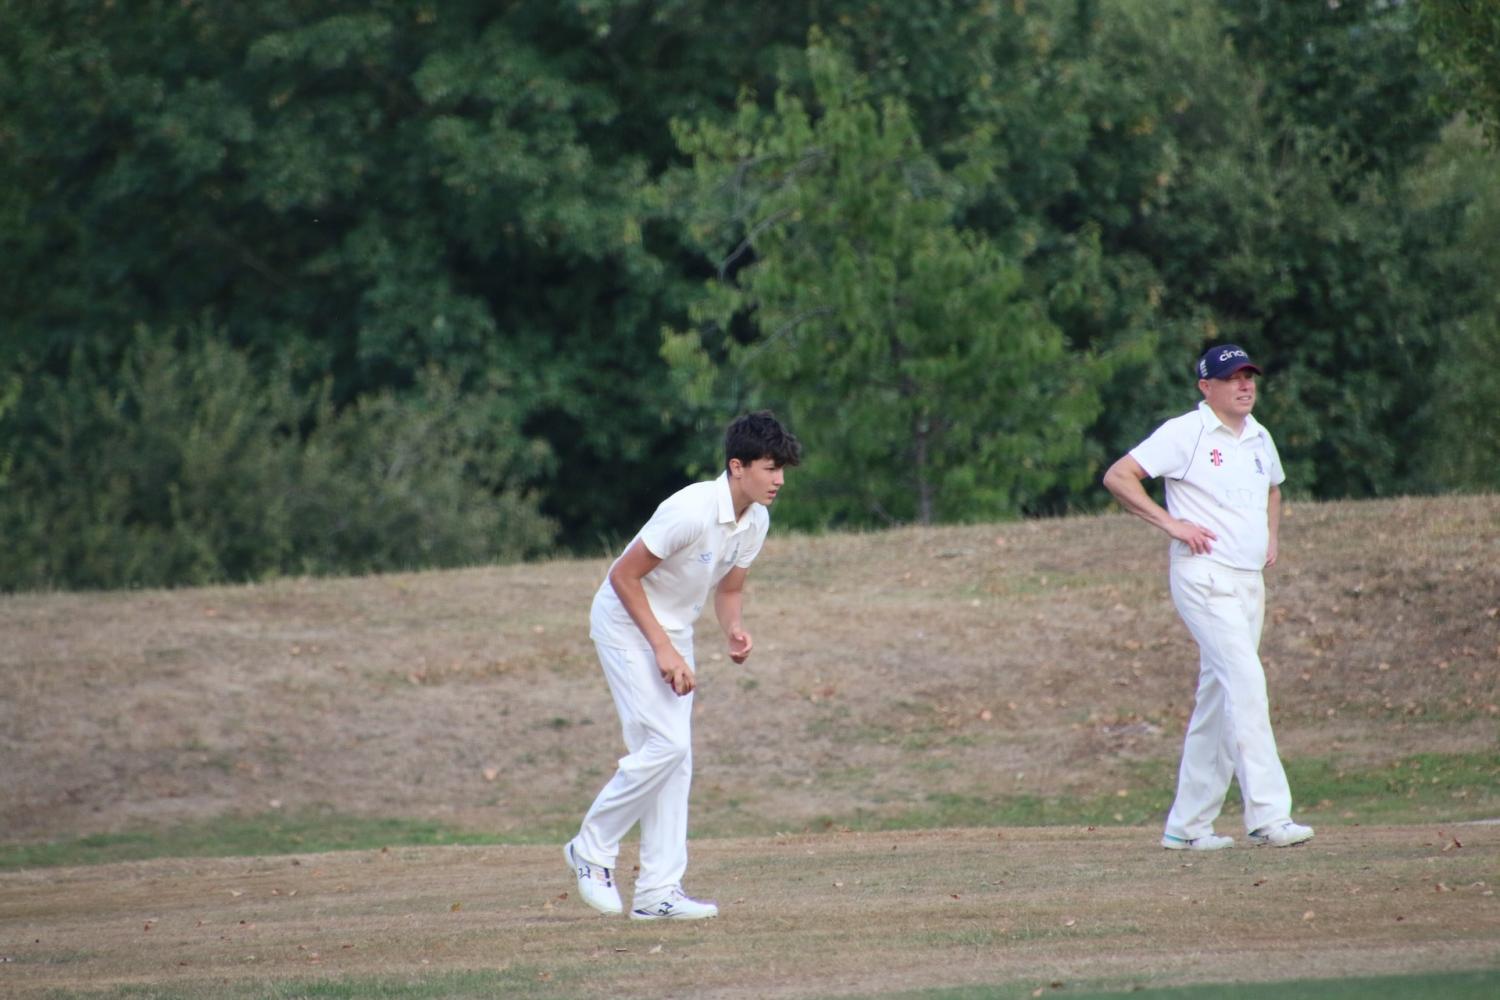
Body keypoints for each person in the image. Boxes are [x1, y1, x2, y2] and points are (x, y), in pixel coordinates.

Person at [565, 411, 802, 918]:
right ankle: (591, 848)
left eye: (782, 468)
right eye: (769, 467)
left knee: (677, 759)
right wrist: (663, 649)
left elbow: (730, 588)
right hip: (625, 622)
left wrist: (733, 630)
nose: (779, 479)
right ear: (737, 466)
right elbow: (623, 577)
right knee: (665, 746)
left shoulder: (756, 520)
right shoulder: (690, 510)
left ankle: (657, 894)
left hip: (673, 630)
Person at [1102, 344, 1313, 851]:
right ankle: (1268, 815)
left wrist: (1271, 536)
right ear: (1206, 387)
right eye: (1232, 378)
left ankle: (1187, 826)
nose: (1244, 385)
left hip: (1246, 580)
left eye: (1249, 377)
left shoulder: (1260, 436)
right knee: (1245, 680)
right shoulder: (1186, 432)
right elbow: (1118, 476)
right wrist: (1170, 523)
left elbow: (1274, 490)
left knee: (1218, 700)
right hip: (1204, 576)